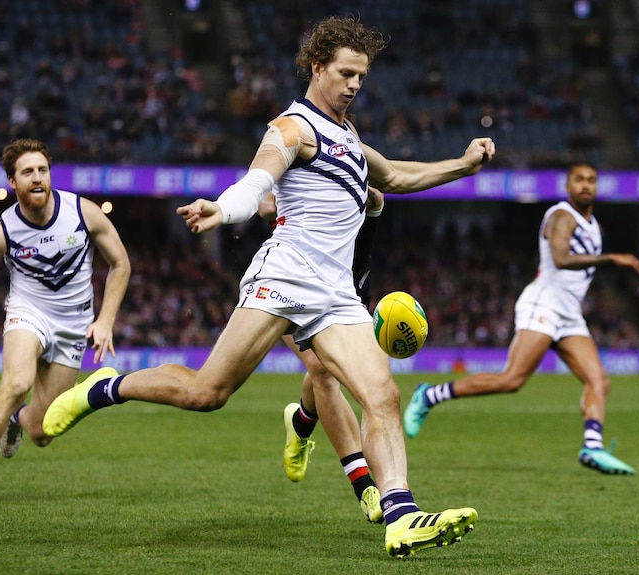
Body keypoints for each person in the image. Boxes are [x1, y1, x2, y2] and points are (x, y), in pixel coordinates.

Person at [43, 16, 494, 557]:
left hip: (335, 294)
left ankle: (401, 514)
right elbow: (257, 180)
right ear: (316, 67)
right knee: (206, 393)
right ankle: (107, 387)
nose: (354, 85)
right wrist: (223, 208)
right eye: (346, 73)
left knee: (382, 394)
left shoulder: (349, 138)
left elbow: (395, 177)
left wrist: (465, 166)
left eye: (362, 77)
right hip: (282, 277)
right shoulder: (293, 127)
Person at [403, 161, 639, 476]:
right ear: (568, 186)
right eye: (579, 180)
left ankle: (592, 447)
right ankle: (429, 395)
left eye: (591, 180)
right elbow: (560, 258)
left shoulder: (594, 226)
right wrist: (612, 258)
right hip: (543, 302)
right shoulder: (562, 216)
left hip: (569, 312)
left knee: (598, 380)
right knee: (512, 380)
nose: (586, 185)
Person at [0, 138, 131, 509]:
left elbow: (121, 264)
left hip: (75, 325)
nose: (37, 177)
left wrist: (104, 321)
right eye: (28, 172)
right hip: (29, 314)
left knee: (43, 432)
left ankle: (17, 418)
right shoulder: (3, 232)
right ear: (13, 182)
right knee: (16, 383)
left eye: (42, 170)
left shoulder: (83, 213)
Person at [262, 188, 384, 523]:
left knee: (325, 373)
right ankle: (364, 487)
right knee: (322, 370)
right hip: (287, 277)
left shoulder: (350, 162)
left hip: (348, 284)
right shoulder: (298, 149)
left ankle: (301, 422)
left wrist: (369, 196)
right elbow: (261, 200)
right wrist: (270, 202)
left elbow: (379, 196)